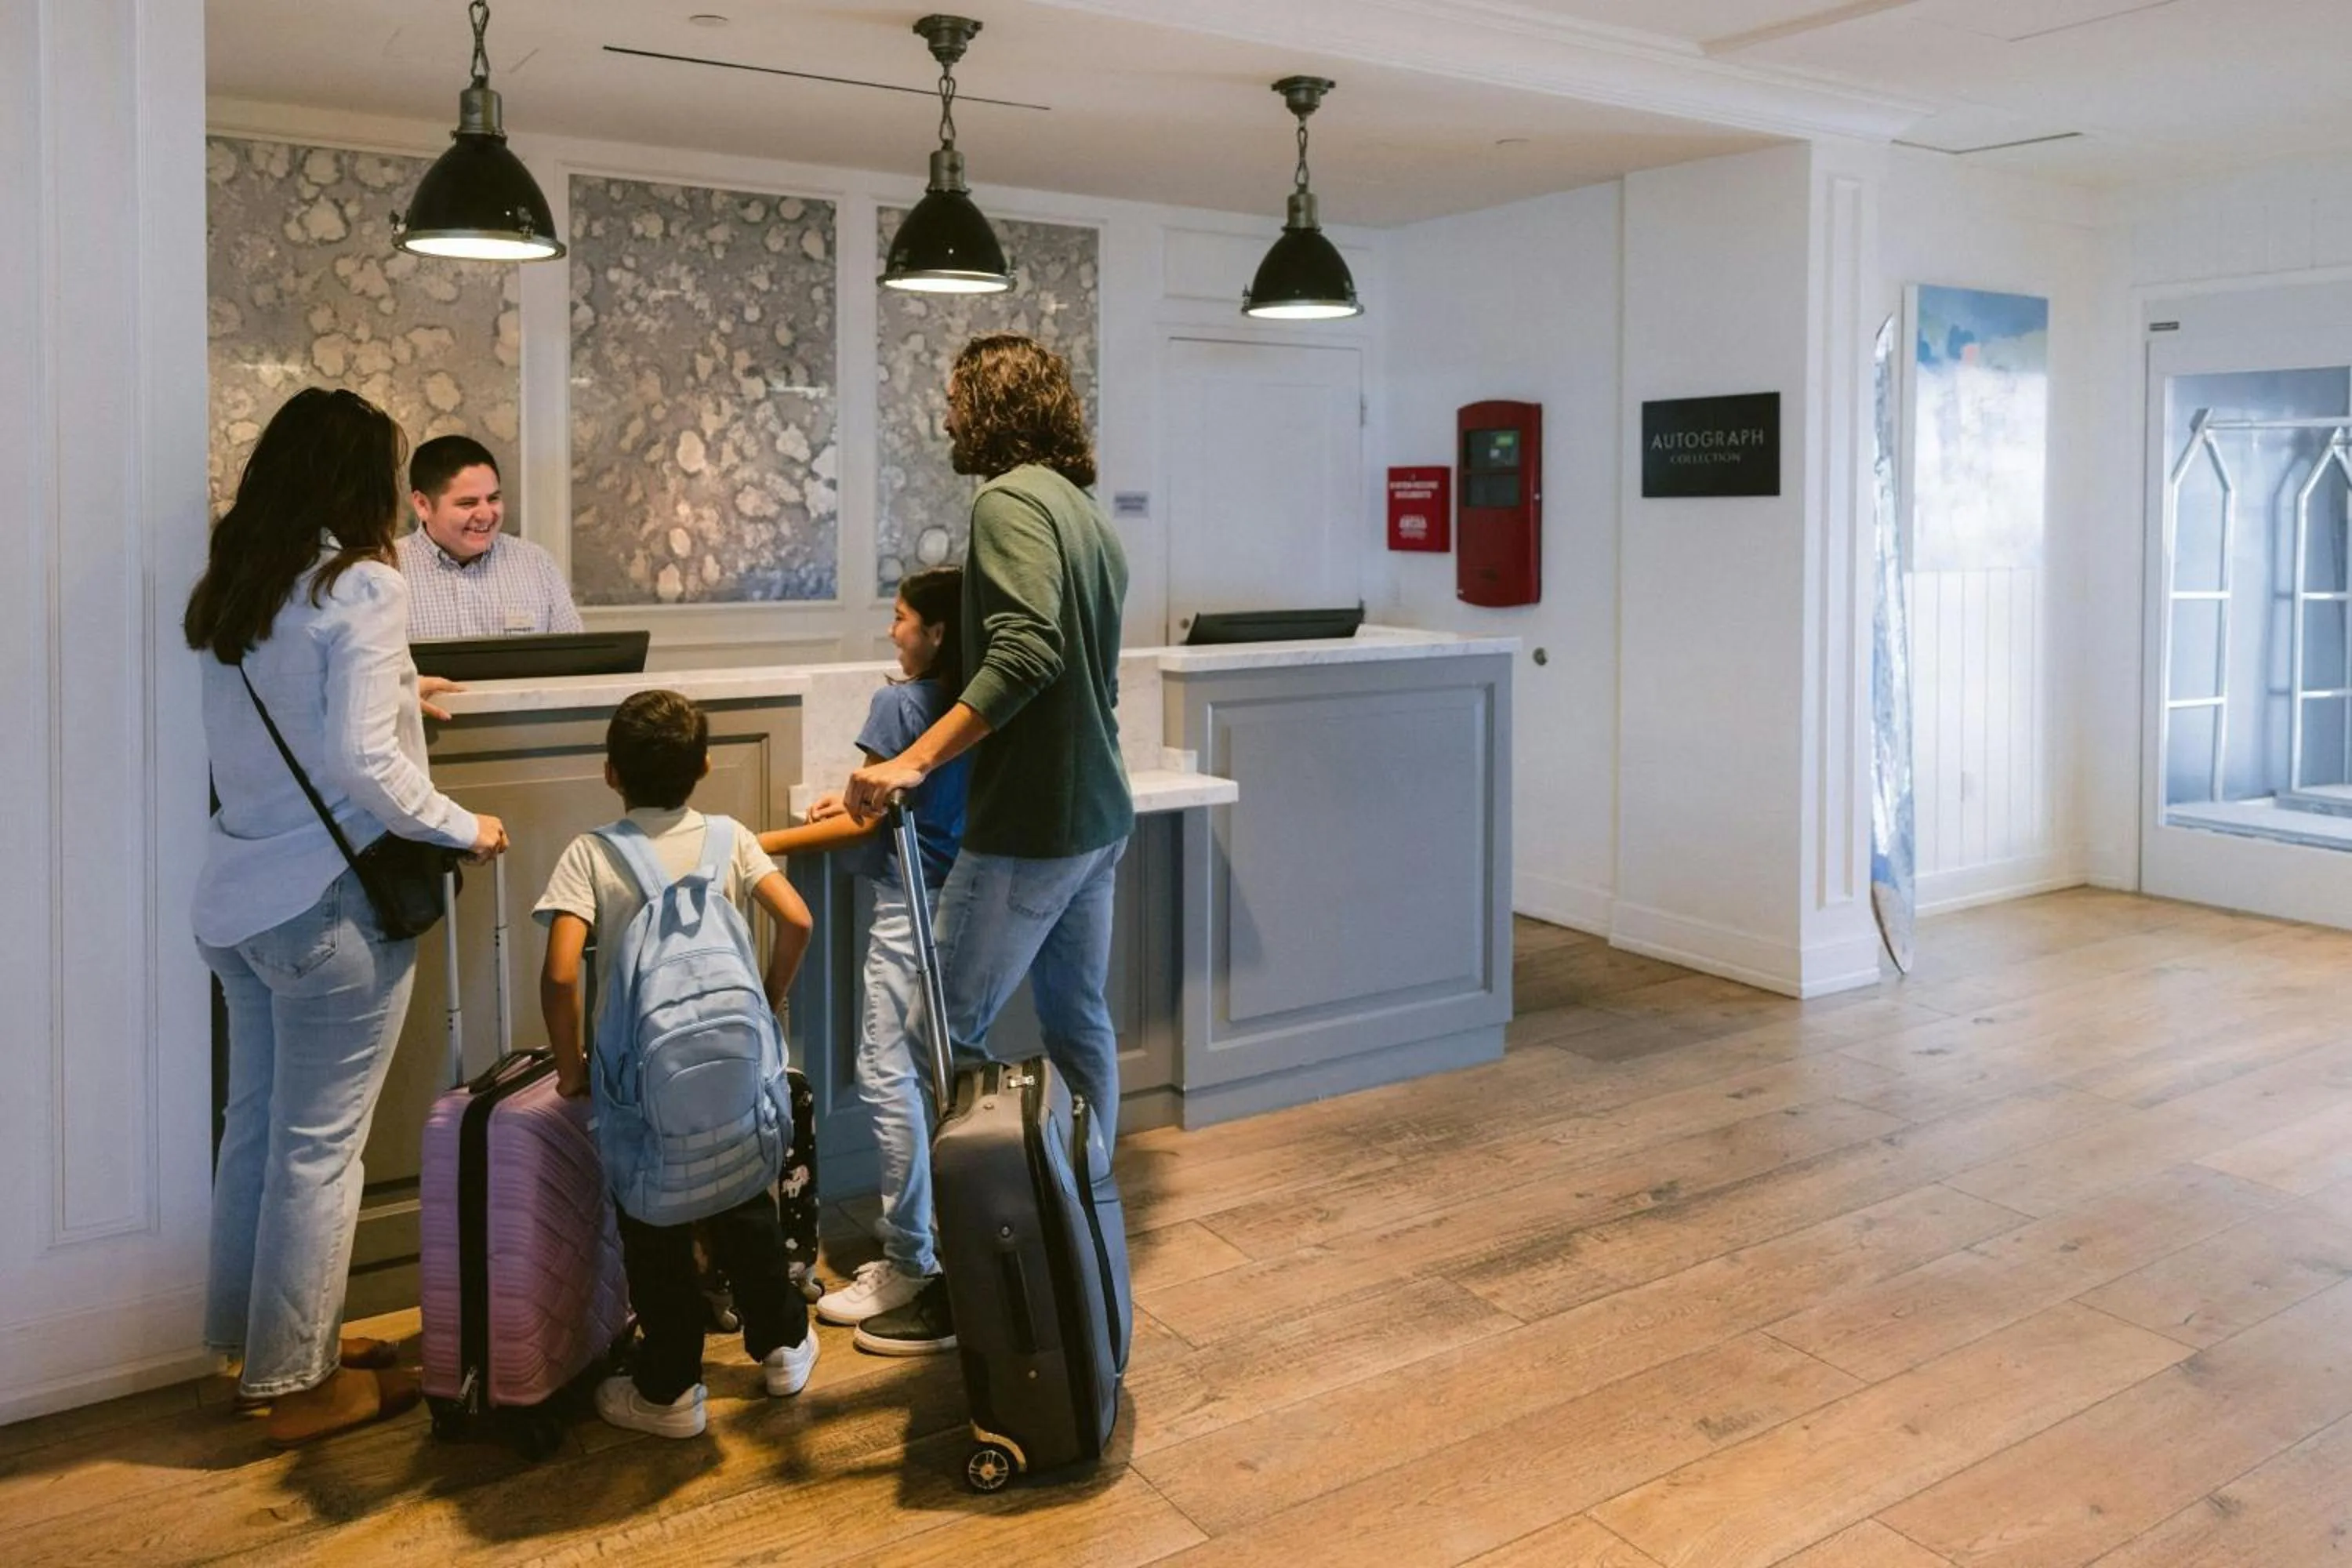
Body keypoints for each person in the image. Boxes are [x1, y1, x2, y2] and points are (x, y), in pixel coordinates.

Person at [187, 387, 509, 1447]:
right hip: (328, 910)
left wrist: (398, 693)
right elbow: (367, 765)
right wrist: (464, 824)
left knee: (258, 1134)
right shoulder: (363, 584)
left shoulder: (241, 584)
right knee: (320, 1152)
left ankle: (259, 1348)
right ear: (364, 484)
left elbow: (290, 726)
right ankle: (295, 1384)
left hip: (236, 903)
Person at [840, 334, 1132, 1356]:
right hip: (1098, 816)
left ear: (995, 404)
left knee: (924, 1040)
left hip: (1034, 826)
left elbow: (1028, 652)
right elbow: (1090, 673)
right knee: (1078, 1021)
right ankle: (1077, 1220)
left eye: (959, 396)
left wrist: (912, 759)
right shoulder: (1086, 514)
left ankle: (937, 1276)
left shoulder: (1009, 500)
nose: (949, 415)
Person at [535, 689, 819, 1438]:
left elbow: (562, 973)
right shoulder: (729, 838)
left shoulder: (592, 854)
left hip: (639, 1088)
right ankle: (784, 1347)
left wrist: (571, 1069)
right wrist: (769, 998)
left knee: (654, 1227)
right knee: (745, 1206)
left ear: (610, 773)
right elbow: (797, 919)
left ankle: (670, 1392)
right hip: (733, 1073)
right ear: (703, 765)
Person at [760, 567, 972, 1354]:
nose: (893, 630)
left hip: (908, 905)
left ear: (937, 630)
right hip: (965, 899)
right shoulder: (979, 704)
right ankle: (949, 1239)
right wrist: (845, 800)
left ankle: (912, 1259)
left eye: (902, 616)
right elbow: (881, 802)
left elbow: (865, 826)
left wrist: (758, 847)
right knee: (935, 1074)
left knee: (885, 1072)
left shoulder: (900, 703)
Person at [395, 434, 583, 639]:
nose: (486, 515)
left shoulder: (536, 564)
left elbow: (574, 661)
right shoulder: (384, 569)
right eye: (467, 503)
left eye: (493, 499)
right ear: (422, 505)